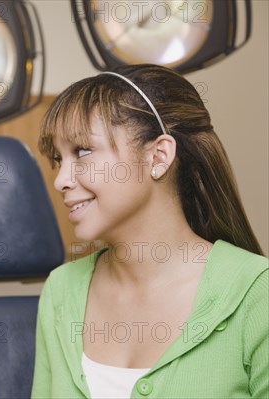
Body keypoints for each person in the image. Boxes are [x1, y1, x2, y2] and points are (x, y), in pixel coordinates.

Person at [31, 64, 268, 398]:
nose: (61, 180)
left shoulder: (258, 293)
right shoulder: (60, 290)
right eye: (59, 159)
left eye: (82, 151)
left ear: (158, 155)